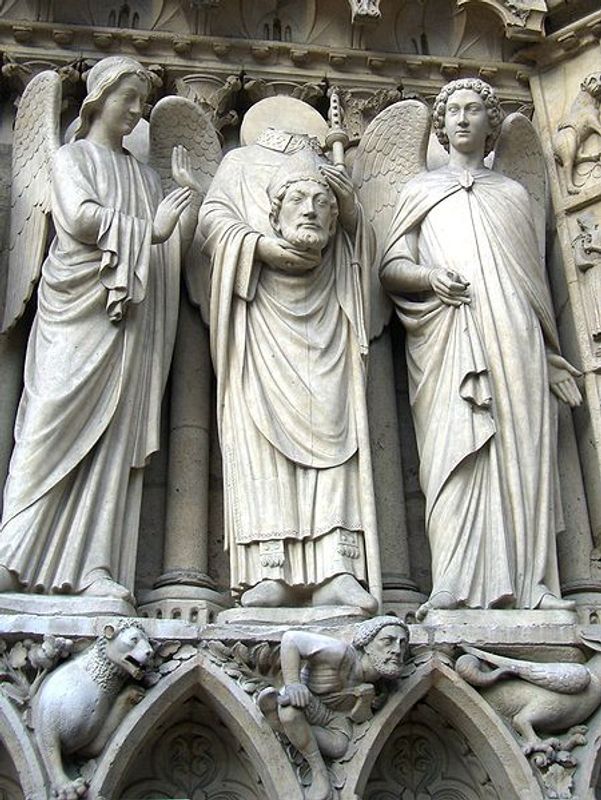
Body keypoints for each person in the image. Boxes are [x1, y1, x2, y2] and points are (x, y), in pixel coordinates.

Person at [380, 78, 581, 618]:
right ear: (441, 126)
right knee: (452, 453)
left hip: (515, 339)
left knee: (525, 453)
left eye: (474, 111)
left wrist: (547, 352)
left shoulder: (514, 196)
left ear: (493, 125)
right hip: (449, 335)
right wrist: (428, 277)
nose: (463, 119)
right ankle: (451, 578)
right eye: (453, 112)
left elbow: (535, 286)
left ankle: (536, 582)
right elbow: (391, 268)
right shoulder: (419, 191)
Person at [0, 57, 198, 602]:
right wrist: (151, 232)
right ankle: (13, 552)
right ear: (98, 98)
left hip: (128, 322)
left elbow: (170, 257)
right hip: (75, 310)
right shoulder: (71, 158)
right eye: (128, 99)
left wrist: (184, 201)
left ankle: (95, 565)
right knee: (47, 424)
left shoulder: (143, 176)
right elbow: (80, 219)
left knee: (113, 437)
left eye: (141, 103)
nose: (136, 112)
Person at [201, 139, 380, 611]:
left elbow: (368, 252)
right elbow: (211, 222)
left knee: (339, 440)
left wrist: (351, 208)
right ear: (274, 211)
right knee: (260, 442)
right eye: (299, 201)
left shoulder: (339, 234)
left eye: (322, 203)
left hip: (329, 327)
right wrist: (260, 247)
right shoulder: (238, 166)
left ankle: (337, 568)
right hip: (260, 322)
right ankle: (269, 570)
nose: (311, 211)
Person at [258, 617, 408, 800]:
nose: (397, 650)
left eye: (403, 643)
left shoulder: (381, 684)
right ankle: (318, 771)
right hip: (306, 700)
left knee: (338, 747)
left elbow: (359, 718)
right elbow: (291, 639)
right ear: (367, 645)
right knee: (290, 712)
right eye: (388, 641)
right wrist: (293, 684)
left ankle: (283, 725)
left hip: (333, 719)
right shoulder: (340, 653)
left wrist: (366, 702)